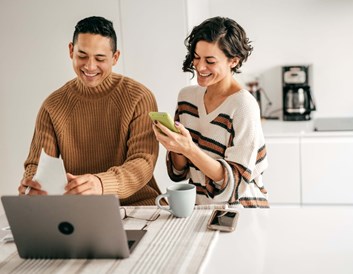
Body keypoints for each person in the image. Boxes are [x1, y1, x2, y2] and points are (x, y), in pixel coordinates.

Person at [18, 16, 161, 205]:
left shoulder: (139, 98)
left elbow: (143, 163)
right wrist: (33, 185)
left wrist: (101, 184)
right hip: (78, 210)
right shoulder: (52, 106)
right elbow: (38, 164)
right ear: (71, 50)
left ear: (115, 57)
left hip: (138, 206)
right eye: (82, 56)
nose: (90, 66)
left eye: (100, 58)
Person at [152, 16, 269, 208]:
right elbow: (180, 172)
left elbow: (234, 185)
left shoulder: (243, 106)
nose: (199, 66)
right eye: (196, 57)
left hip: (242, 211)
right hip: (200, 209)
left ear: (233, 61)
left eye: (210, 61)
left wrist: (189, 148)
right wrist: (175, 146)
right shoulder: (186, 97)